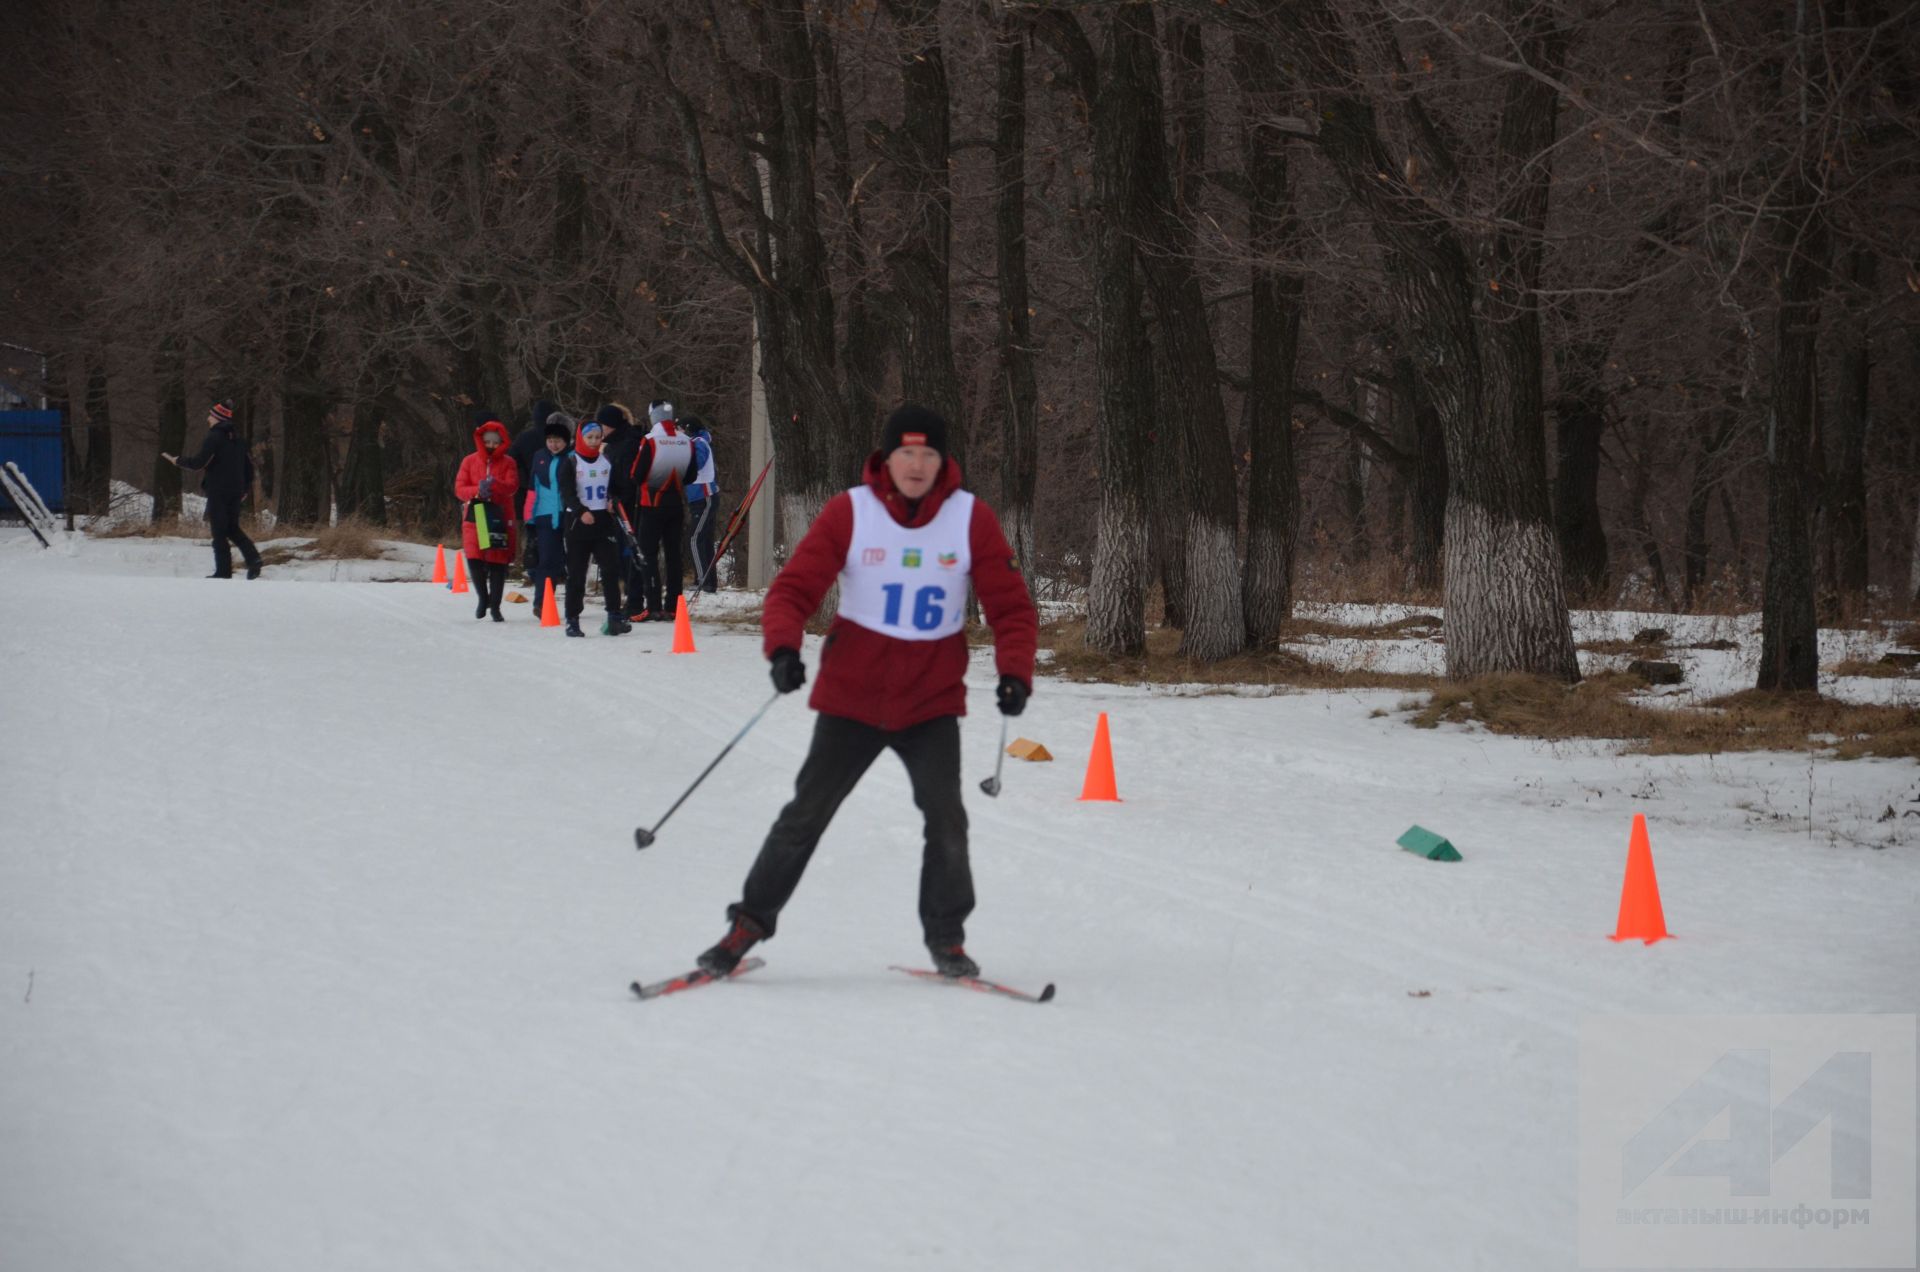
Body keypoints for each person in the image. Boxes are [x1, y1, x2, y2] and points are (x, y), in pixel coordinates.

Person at [695, 404, 1038, 981]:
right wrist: (782, 649)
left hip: (929, 704)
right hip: (851, 700)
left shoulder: (969, 518)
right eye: (906, 452)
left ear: (942, 460)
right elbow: (793, 590)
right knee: (804, 815)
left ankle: (946, 939)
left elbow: (1011, 608)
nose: (917, 464)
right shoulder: (850, 511)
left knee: (947, 819)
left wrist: (1015, 673)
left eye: (929, 453)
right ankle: (746, 926)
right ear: (887, 457)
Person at [163, 399, 262, 580]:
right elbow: (249, 468)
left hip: (218, 490)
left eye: (210, 415)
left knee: (219, 532)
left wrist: (177, 461)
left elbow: (199, 463)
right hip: (236, 491)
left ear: (217, 417)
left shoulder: (214, 437)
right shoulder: (239, 440)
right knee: (232, 528)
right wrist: (245, 488)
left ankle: (223, 572)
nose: (208, 418)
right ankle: (254, 559)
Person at [555, 416, 629, 637]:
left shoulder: (607, 461)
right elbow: (566, 492)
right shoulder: (570, 462)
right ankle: (572, 619)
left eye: (598, 437)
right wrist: (580, 511)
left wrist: (613, 501)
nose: (594, 441)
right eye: (590, 437)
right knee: (577, 574)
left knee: (610, 569)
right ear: (580, 437)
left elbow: (618, 487)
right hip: (578, 523)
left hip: (603, 523)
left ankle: (614, 616)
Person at [631, 400, 699, 620]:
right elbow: (691, 476)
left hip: (651, 505)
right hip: (675, 505)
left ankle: (653, 605)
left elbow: (637, 474)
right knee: (673, 556)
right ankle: (674, 605)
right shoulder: (686, 441)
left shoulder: (650, 440)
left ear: (653, 417)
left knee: (648, 555)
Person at [454, 414, 520, 621]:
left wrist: (494, 485)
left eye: (495, 442)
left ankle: (496, 606)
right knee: (475, 559)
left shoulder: (509, 462)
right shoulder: (469, 461)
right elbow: (459, 488)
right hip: (475, 515)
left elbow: (512, 486)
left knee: (497, 562)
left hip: (499, 515)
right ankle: (483, 598)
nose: (491, 445)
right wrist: (477, 490)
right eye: (487, 441)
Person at [525, 413, 573, 618]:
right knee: (546, 560)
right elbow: (532, 487)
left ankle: (574, 602)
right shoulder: (539, 456)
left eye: (558, 441)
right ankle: (542, 602)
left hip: (569, 514)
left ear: (566, 440)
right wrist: (529, 517)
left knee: (571, 561)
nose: (554, 445)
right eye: (550, 440)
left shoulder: (572, 457)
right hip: (544, 515)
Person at [510, 398, 560, 578]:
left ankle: (523, 563)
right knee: (550, 530)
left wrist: (524, 480)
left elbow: (513, 460)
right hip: (551, 491)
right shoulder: (557, 438)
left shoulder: (524, 437)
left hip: (526, 491)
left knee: (526, 528)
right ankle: (552, 566)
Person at [683, 415, 720, 593]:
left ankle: (702, 580)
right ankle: (708, 581)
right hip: (698, 497)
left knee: (695, 538)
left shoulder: (699, 443)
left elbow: (695, 464)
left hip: (704, 496)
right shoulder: (697, 442)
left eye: (681, 429)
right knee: (703, 540)